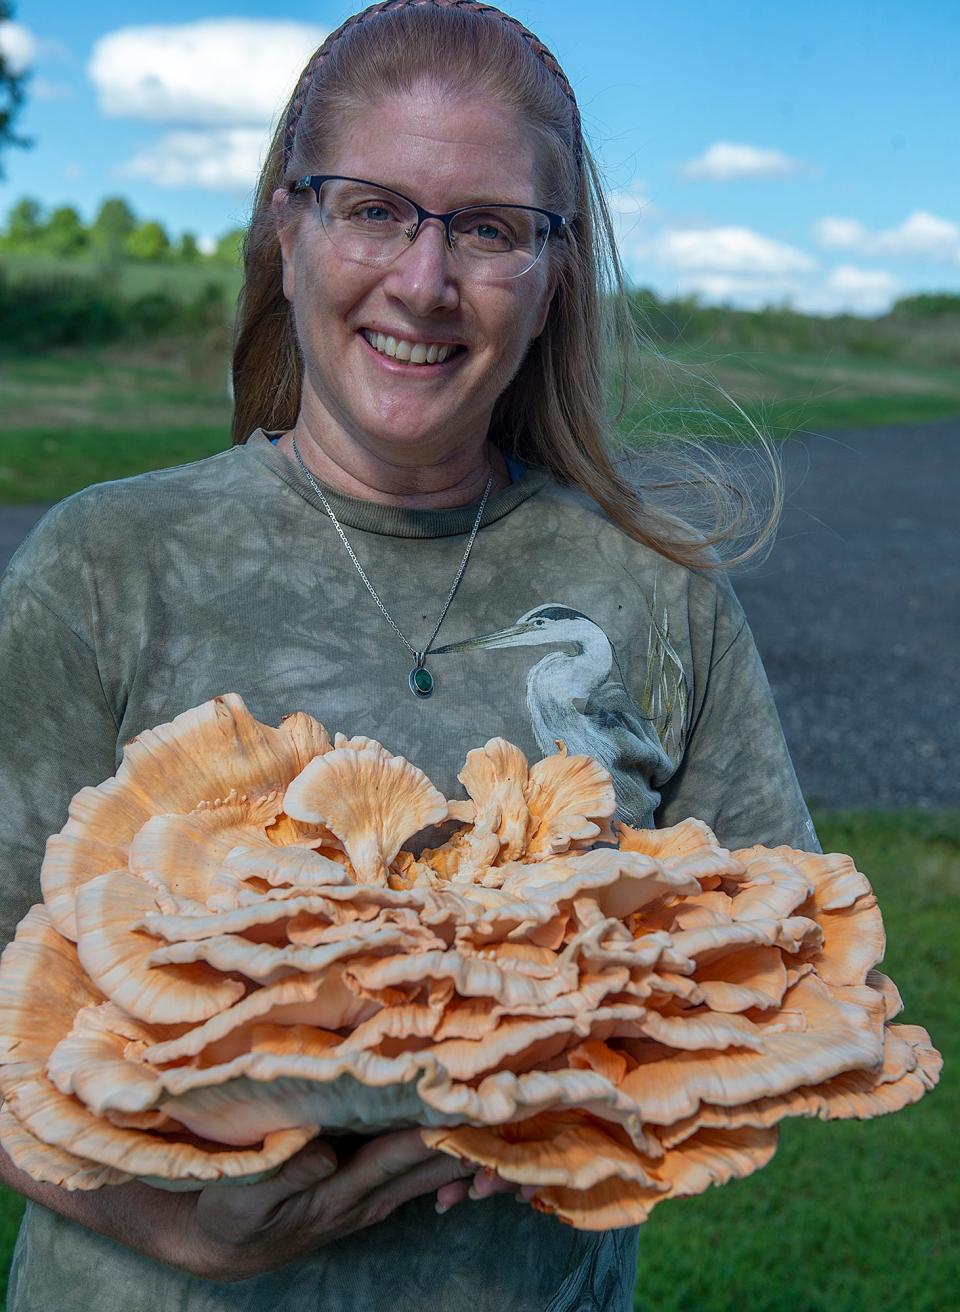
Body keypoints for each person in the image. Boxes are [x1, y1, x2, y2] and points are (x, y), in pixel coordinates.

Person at [0, 1, 820, 1307]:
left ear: (554, 272)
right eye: (373, 207)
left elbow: (784, 979)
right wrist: (180, 1230)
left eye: (488, 227)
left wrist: (601, 1084)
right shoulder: (109, 566)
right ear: (288, 231)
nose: (424, 280)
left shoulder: (655, 593)